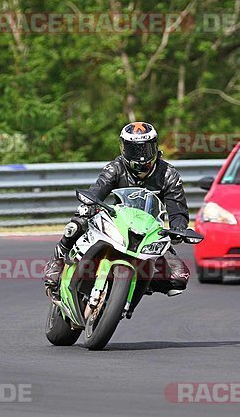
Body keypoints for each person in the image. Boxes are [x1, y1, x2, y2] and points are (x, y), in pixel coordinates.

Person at [43, 122, 191, 296]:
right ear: (123, 148)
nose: (141, 156)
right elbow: (97, 190)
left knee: (179, 277)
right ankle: (57, 259)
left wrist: (179, 229)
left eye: (145, 149)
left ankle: (136, 284)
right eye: (134, 150)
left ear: (155, 147)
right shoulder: (116, 167)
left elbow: (178, 211)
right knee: (79, 220)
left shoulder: (168, 174)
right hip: (117, 221)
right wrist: (90, 205)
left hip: (149, 232)